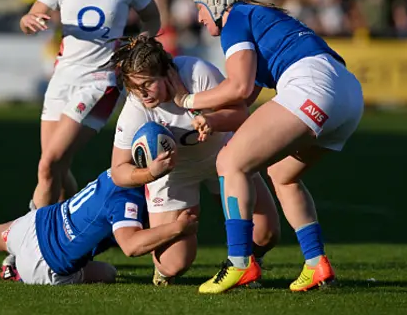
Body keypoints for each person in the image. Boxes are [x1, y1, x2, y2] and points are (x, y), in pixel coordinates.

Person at [166, 0, 364, 294]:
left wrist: (187, 99)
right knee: (283, 174)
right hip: (348, 95)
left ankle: (239, 262)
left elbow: (239, 88)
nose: (199, 18)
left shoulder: (235, 17)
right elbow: (245, 108)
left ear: (217, 3)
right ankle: (317, 264)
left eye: (200, 7)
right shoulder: (260, 18)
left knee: (230, 163)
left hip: (313, 85)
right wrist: (213, 120)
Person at [105, 35, 281, 286]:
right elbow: (119, 170)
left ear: (166, 71)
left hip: (223, 156)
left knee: (266, 234)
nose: (141, 94)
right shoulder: (136, 107)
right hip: (174, 173)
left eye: (147, 84)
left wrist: (211, 121)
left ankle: (247, 262)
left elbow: (241, 114)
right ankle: (163, 271)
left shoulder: (198, 73)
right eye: (134, 87)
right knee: (173, 264)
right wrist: (151, 173)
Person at [19, 0, 161, 209]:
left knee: (48, 166)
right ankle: (67, 234)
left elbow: (153, 19)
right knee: (54, 168)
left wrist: (136, 47)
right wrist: (30, 20)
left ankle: (25, 241)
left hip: (100, 82)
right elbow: (32, 14)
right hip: (62, 79)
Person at [0, 169, 198, 285]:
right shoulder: (127, 199)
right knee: (108, 273)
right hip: (46, 264)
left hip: (37, 223)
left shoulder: (115, 170)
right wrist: (178, 228)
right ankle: (18, 272)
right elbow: (131, 246)